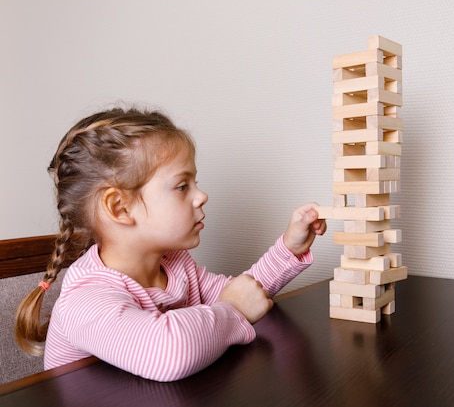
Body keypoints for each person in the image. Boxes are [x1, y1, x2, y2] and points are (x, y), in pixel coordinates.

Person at [14, 106, 326, 382]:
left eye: (196, 182)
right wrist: (232, 310)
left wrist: (290, 248)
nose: (201, 195)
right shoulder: (84, 302)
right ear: (120, 208)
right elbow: (168, 352)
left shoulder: (175, 265)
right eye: (181, 185)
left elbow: (245, 294)